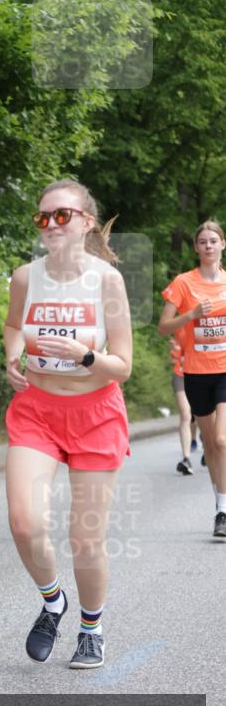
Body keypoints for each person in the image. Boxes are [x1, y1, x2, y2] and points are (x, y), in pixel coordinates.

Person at [3, 178, 132, 669]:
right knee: (23, 521)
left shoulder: (106, 281)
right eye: (43, 216)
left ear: (87, 222)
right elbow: (15, 325)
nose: (51, 224)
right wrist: (12, 355)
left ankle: (91, 628)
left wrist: (85, 356)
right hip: (37, 410)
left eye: (63, 215)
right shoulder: (24, 277)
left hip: (96, 414)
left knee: (85, 537)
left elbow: (123, 364)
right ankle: (52, 600)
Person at [158, 220, 226, 540]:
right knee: (212, 445)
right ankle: (220, 505)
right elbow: (163, 327)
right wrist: (192, 315)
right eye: (203, 242)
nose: (209, 246)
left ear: (222, 245)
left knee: (223, 441)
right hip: (197, 373)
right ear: (196, 248)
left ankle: (223, 510)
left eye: (214, 240)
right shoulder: (184, 283)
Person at [168, 330, 199, 475]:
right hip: (180, 376)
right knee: (186, 415)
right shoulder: (179, 331)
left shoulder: (204, 329)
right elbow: (173, 360)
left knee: (201, 416)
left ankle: (209, 446)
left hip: (200, 376)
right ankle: (186, 458)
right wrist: (177, 352)